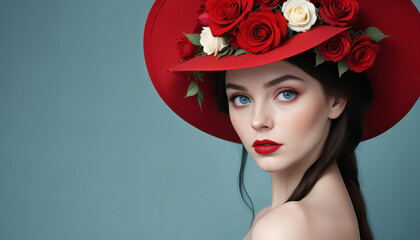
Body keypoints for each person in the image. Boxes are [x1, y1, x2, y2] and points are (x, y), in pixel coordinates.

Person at [143, 0, 419, 239]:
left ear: (335, 100)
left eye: (286, 93)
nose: (258, 121)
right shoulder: (284, 217)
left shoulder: (285, 227)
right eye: (241, 99)